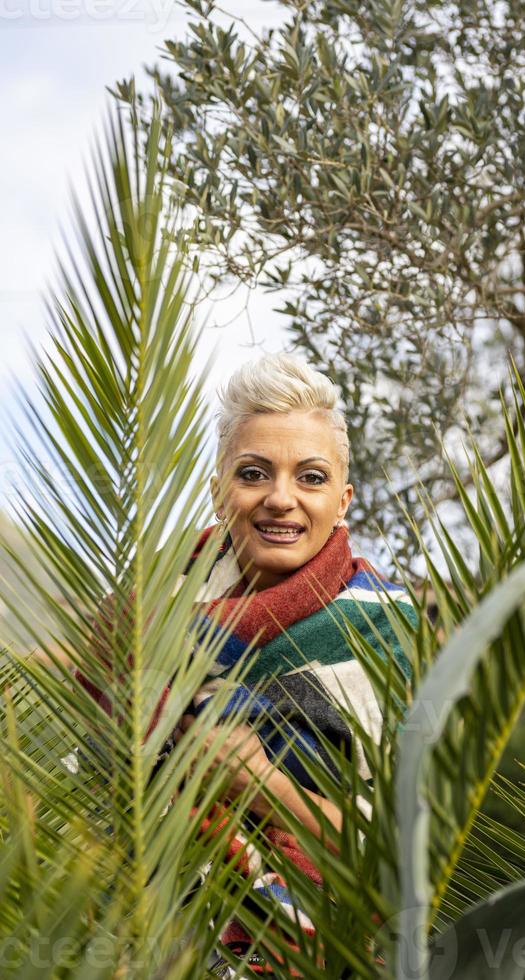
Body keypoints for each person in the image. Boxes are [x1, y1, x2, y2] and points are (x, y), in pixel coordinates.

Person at [79, 353, 415, 975]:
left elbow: (405, 850)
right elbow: (86, 788)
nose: (281, 499)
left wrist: (266, 784)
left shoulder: (382, 632)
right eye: (254, 473)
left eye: (310, 478)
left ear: (342, 501)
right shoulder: (144, 614)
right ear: (218, 491)